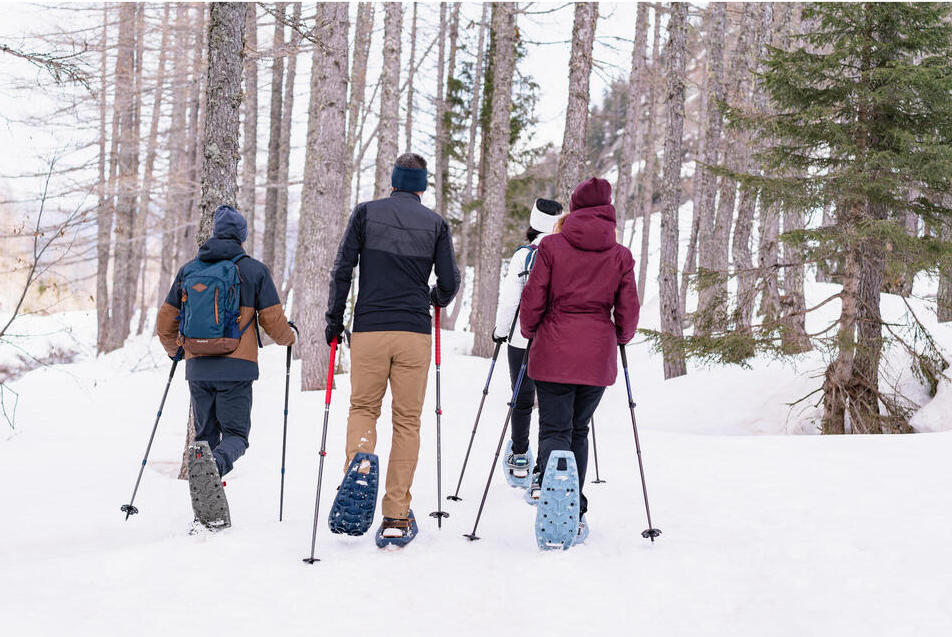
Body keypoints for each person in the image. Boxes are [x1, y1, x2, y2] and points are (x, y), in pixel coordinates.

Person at [325, 152, 460, 547]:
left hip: (369, 329)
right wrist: (434, 295)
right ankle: (396, 514)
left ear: (393, 181)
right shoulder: (436, 224)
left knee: (364, 409)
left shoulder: (366, 214)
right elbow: (449, 283)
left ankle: (360, 465)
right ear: (422, 186)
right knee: (407, 421)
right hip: (413, 333)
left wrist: (335, 319)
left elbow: (342, 269)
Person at [519, 177, 639, 542]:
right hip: (596, 355)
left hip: (554, 349)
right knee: (578, 430)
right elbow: (629, 309)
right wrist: (618, 336)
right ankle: (576, 510)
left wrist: (529, 330)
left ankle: (552, 500)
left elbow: (533, 297)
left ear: (575, 206)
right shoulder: (620, 255)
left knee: (554, 429)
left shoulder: (551, 246)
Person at [157, 205, 295, 479]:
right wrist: (290, 338)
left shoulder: (189, 270)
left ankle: (204, 502)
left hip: (198, 368)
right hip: (237, 368)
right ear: (242, 238)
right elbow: (274, 322)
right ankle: (216, 466)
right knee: (236, 436)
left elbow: (164, 325)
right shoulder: (255, 271)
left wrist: (179, 353)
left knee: (204, 438)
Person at [492, 198, 563, 485]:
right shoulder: (563, 250)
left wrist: (500, 330)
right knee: (549, 403)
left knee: (521, 398)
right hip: (554, 340)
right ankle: (544, 467)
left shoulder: (524, 255)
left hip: (522, 338)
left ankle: (520, 456)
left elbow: (510, 299)